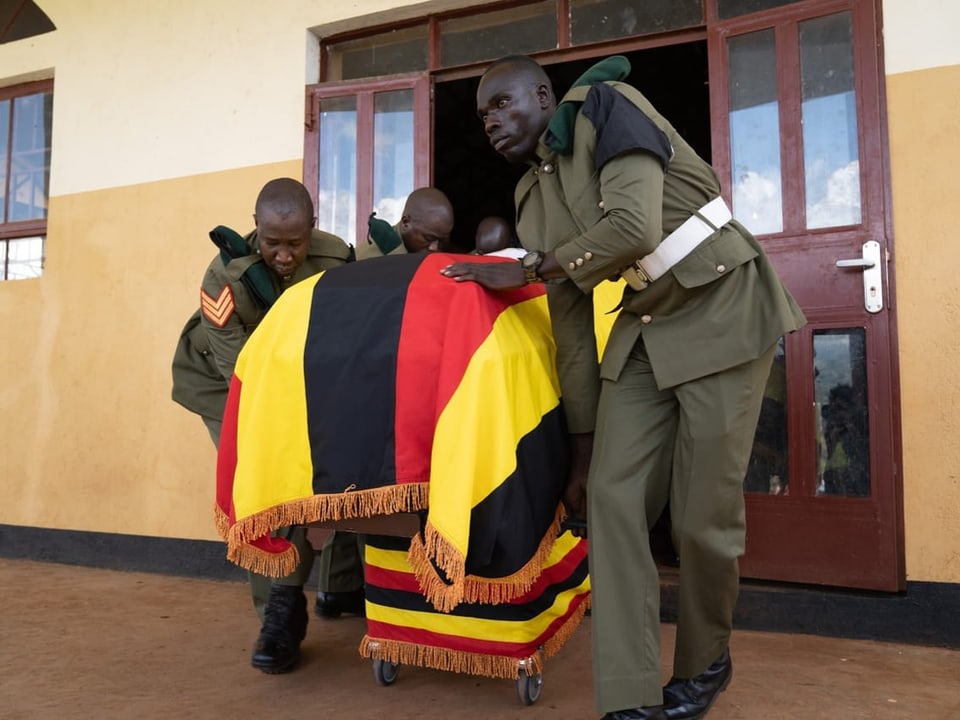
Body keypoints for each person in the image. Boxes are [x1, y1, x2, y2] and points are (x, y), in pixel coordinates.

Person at [440, 55, 806, 720]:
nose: (490, 121)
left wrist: (531, 270)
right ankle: (630, 694)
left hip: (722, 304)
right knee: (609, 497)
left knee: (700, 518)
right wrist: (581, 449)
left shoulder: (604, 108)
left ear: (543, 94)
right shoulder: (530, 198)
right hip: (646, 327)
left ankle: (706, 663)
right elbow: (573, 327)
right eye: (482, 115)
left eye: (502, 103)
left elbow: (633, 226)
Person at [171, 177, 365, 674]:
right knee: (260, 480)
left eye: (295, 243)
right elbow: (238, 370)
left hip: (300, 377)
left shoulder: (336, 259)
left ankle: (339, 585)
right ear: (255, 227)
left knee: (333, 464)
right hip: (226, 381)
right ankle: (279, 611)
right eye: (272, 243)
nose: (283, 255)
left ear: (312, 229)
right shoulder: (224, 276)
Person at [355, 186, 454, 260]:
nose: (435, 248)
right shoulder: (372, 257)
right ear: (406, 222)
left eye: (442, 241)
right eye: (428, 238)